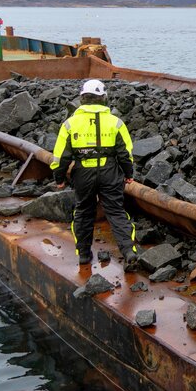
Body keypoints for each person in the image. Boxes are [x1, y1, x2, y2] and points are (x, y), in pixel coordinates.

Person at [50, 79, 139, 265]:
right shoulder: (116, 123)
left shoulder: (70, 124)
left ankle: (84, 254)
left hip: (83, 174)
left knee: (83, 212)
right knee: (116, 212)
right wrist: (128, 173)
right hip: (110, 172)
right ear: (103, 98)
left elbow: (60, 157)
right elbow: (125, 153)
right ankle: (128, 252)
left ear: (82, 99)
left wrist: (59, 178)